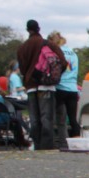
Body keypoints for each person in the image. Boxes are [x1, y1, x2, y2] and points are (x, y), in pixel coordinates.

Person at [16, 19, 65, 151]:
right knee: (46, 118)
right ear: (39, 28)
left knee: (34, 119)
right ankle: (47, 146)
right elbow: (63, 62)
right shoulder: (48, 44)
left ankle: (37, 145)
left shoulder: (22, 48)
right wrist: (52, 77)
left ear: (28, 30)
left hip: (31, 87)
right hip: (46, 86)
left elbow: (22, 70)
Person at [48, 31, 79, 148]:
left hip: (60, 87)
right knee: (72, 118)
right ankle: (77, 143)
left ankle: (60, 142)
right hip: (73, 88)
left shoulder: (57, 52)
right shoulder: (74, 53)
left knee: (59, 118)